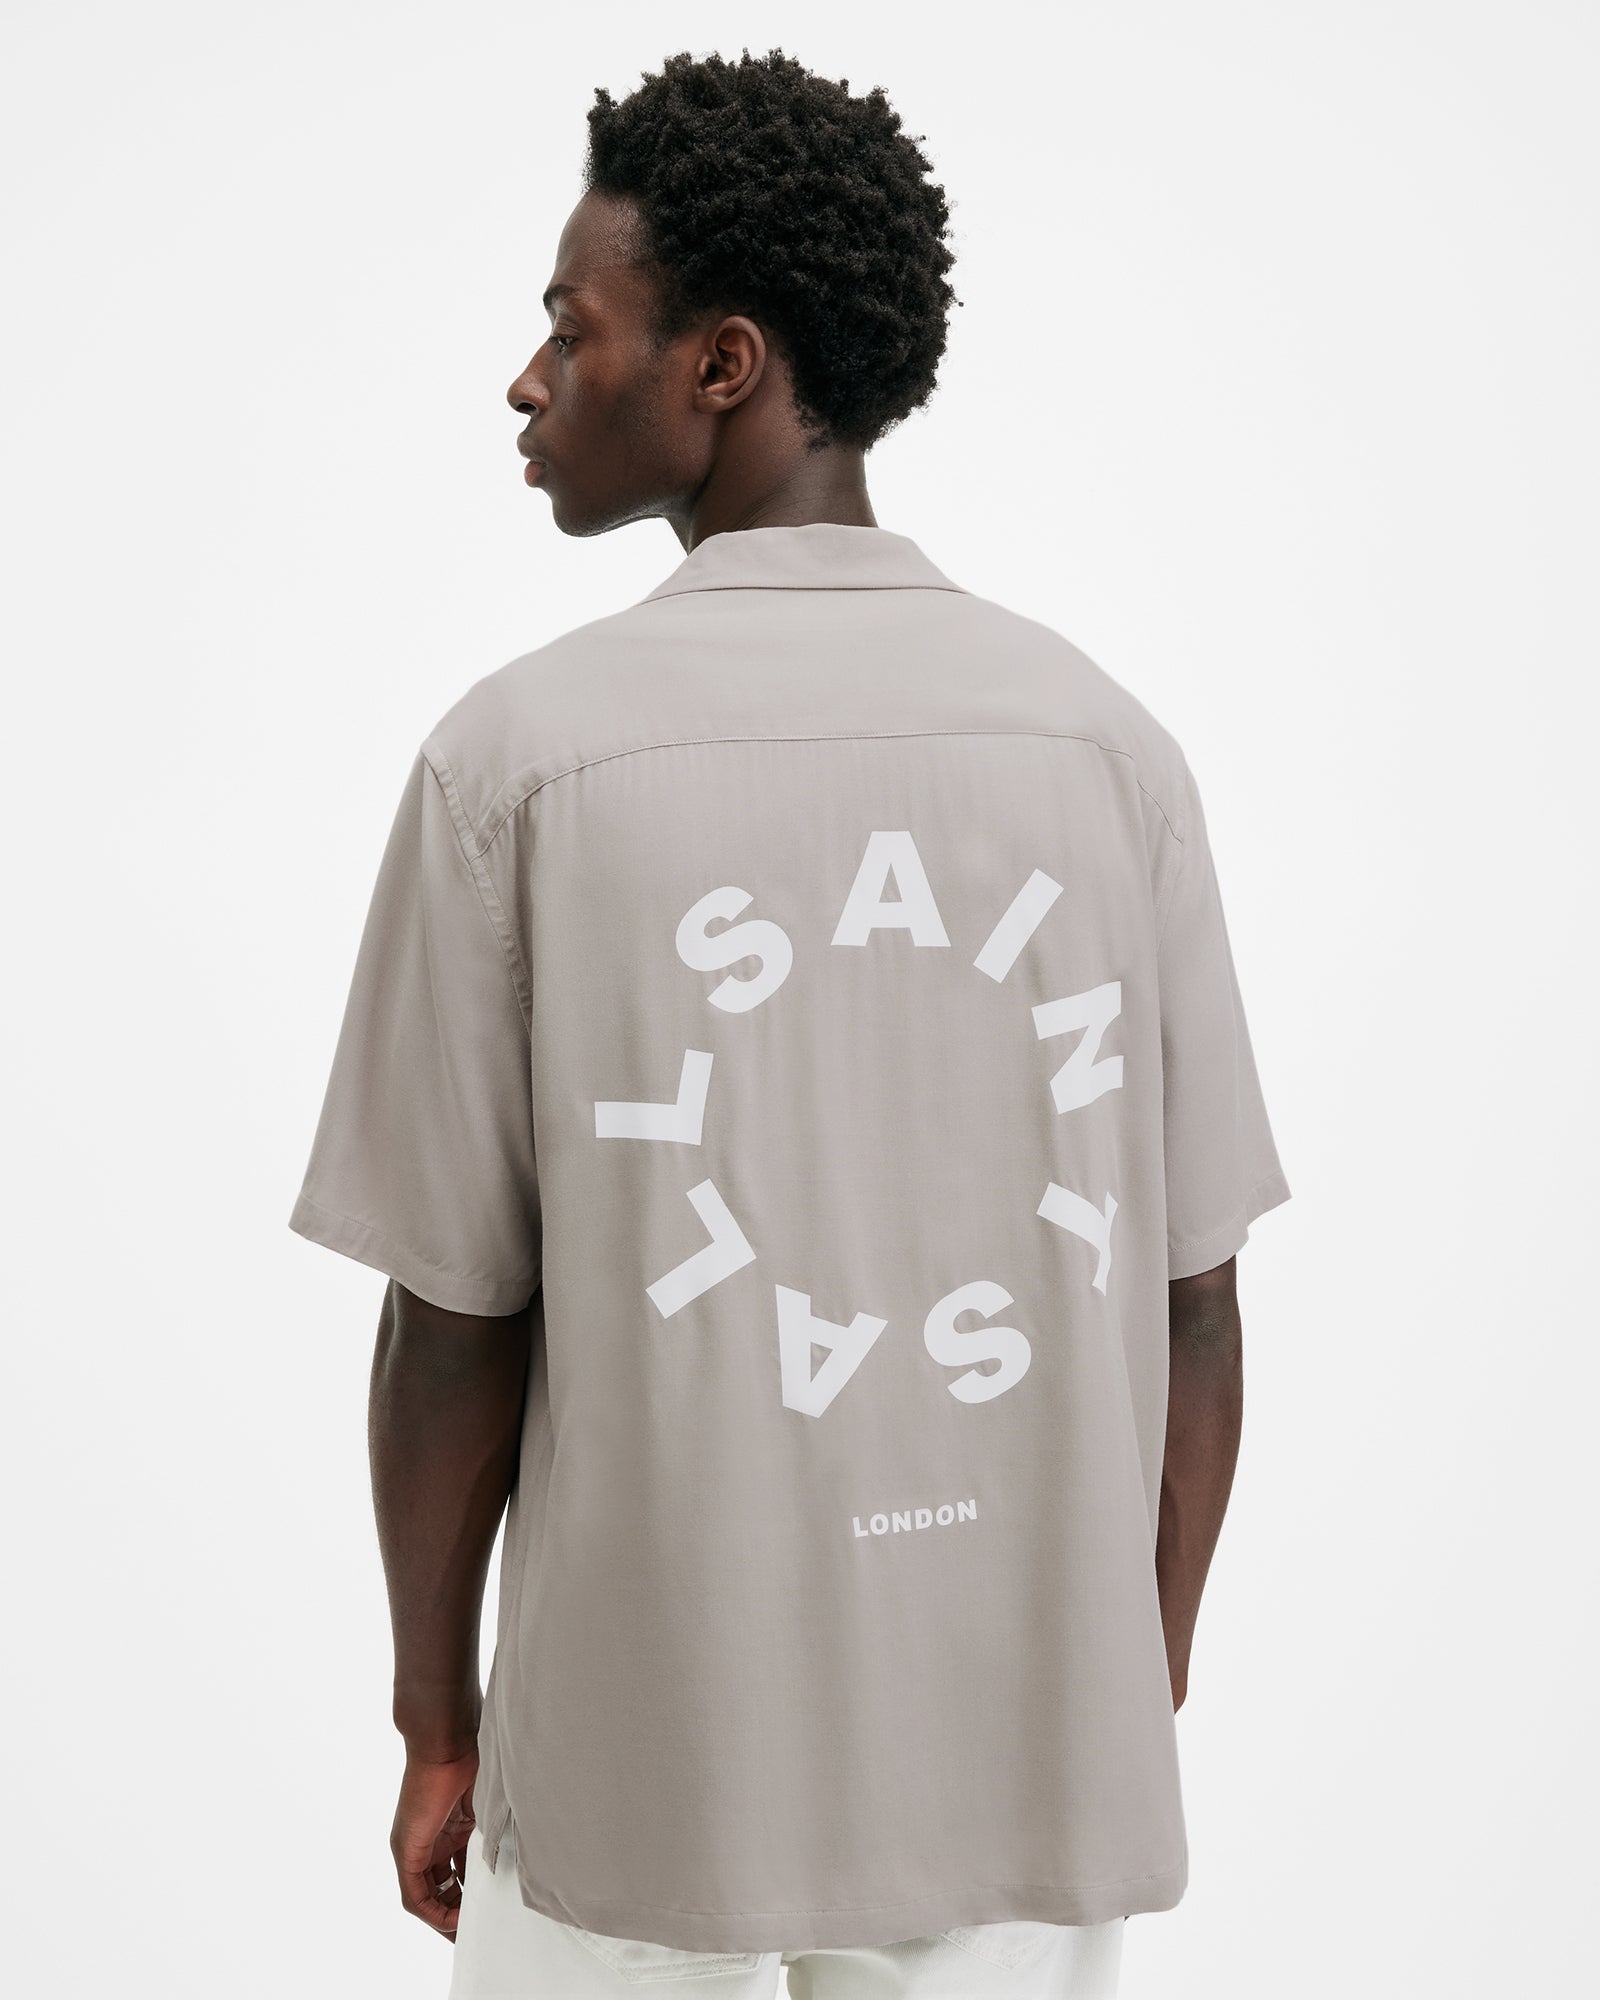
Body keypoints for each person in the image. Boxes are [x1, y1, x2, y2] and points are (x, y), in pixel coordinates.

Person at [288, 47, 1291, 2000]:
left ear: (723, 365)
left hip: (637, 1765)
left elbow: (451, 1327)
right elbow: (1195, 1303)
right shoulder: (1105, 754)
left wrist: (437, 1719)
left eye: (572, 327)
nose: (528, 380)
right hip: (1017, 1746)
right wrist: (1125, 1677)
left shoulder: (520, 764)